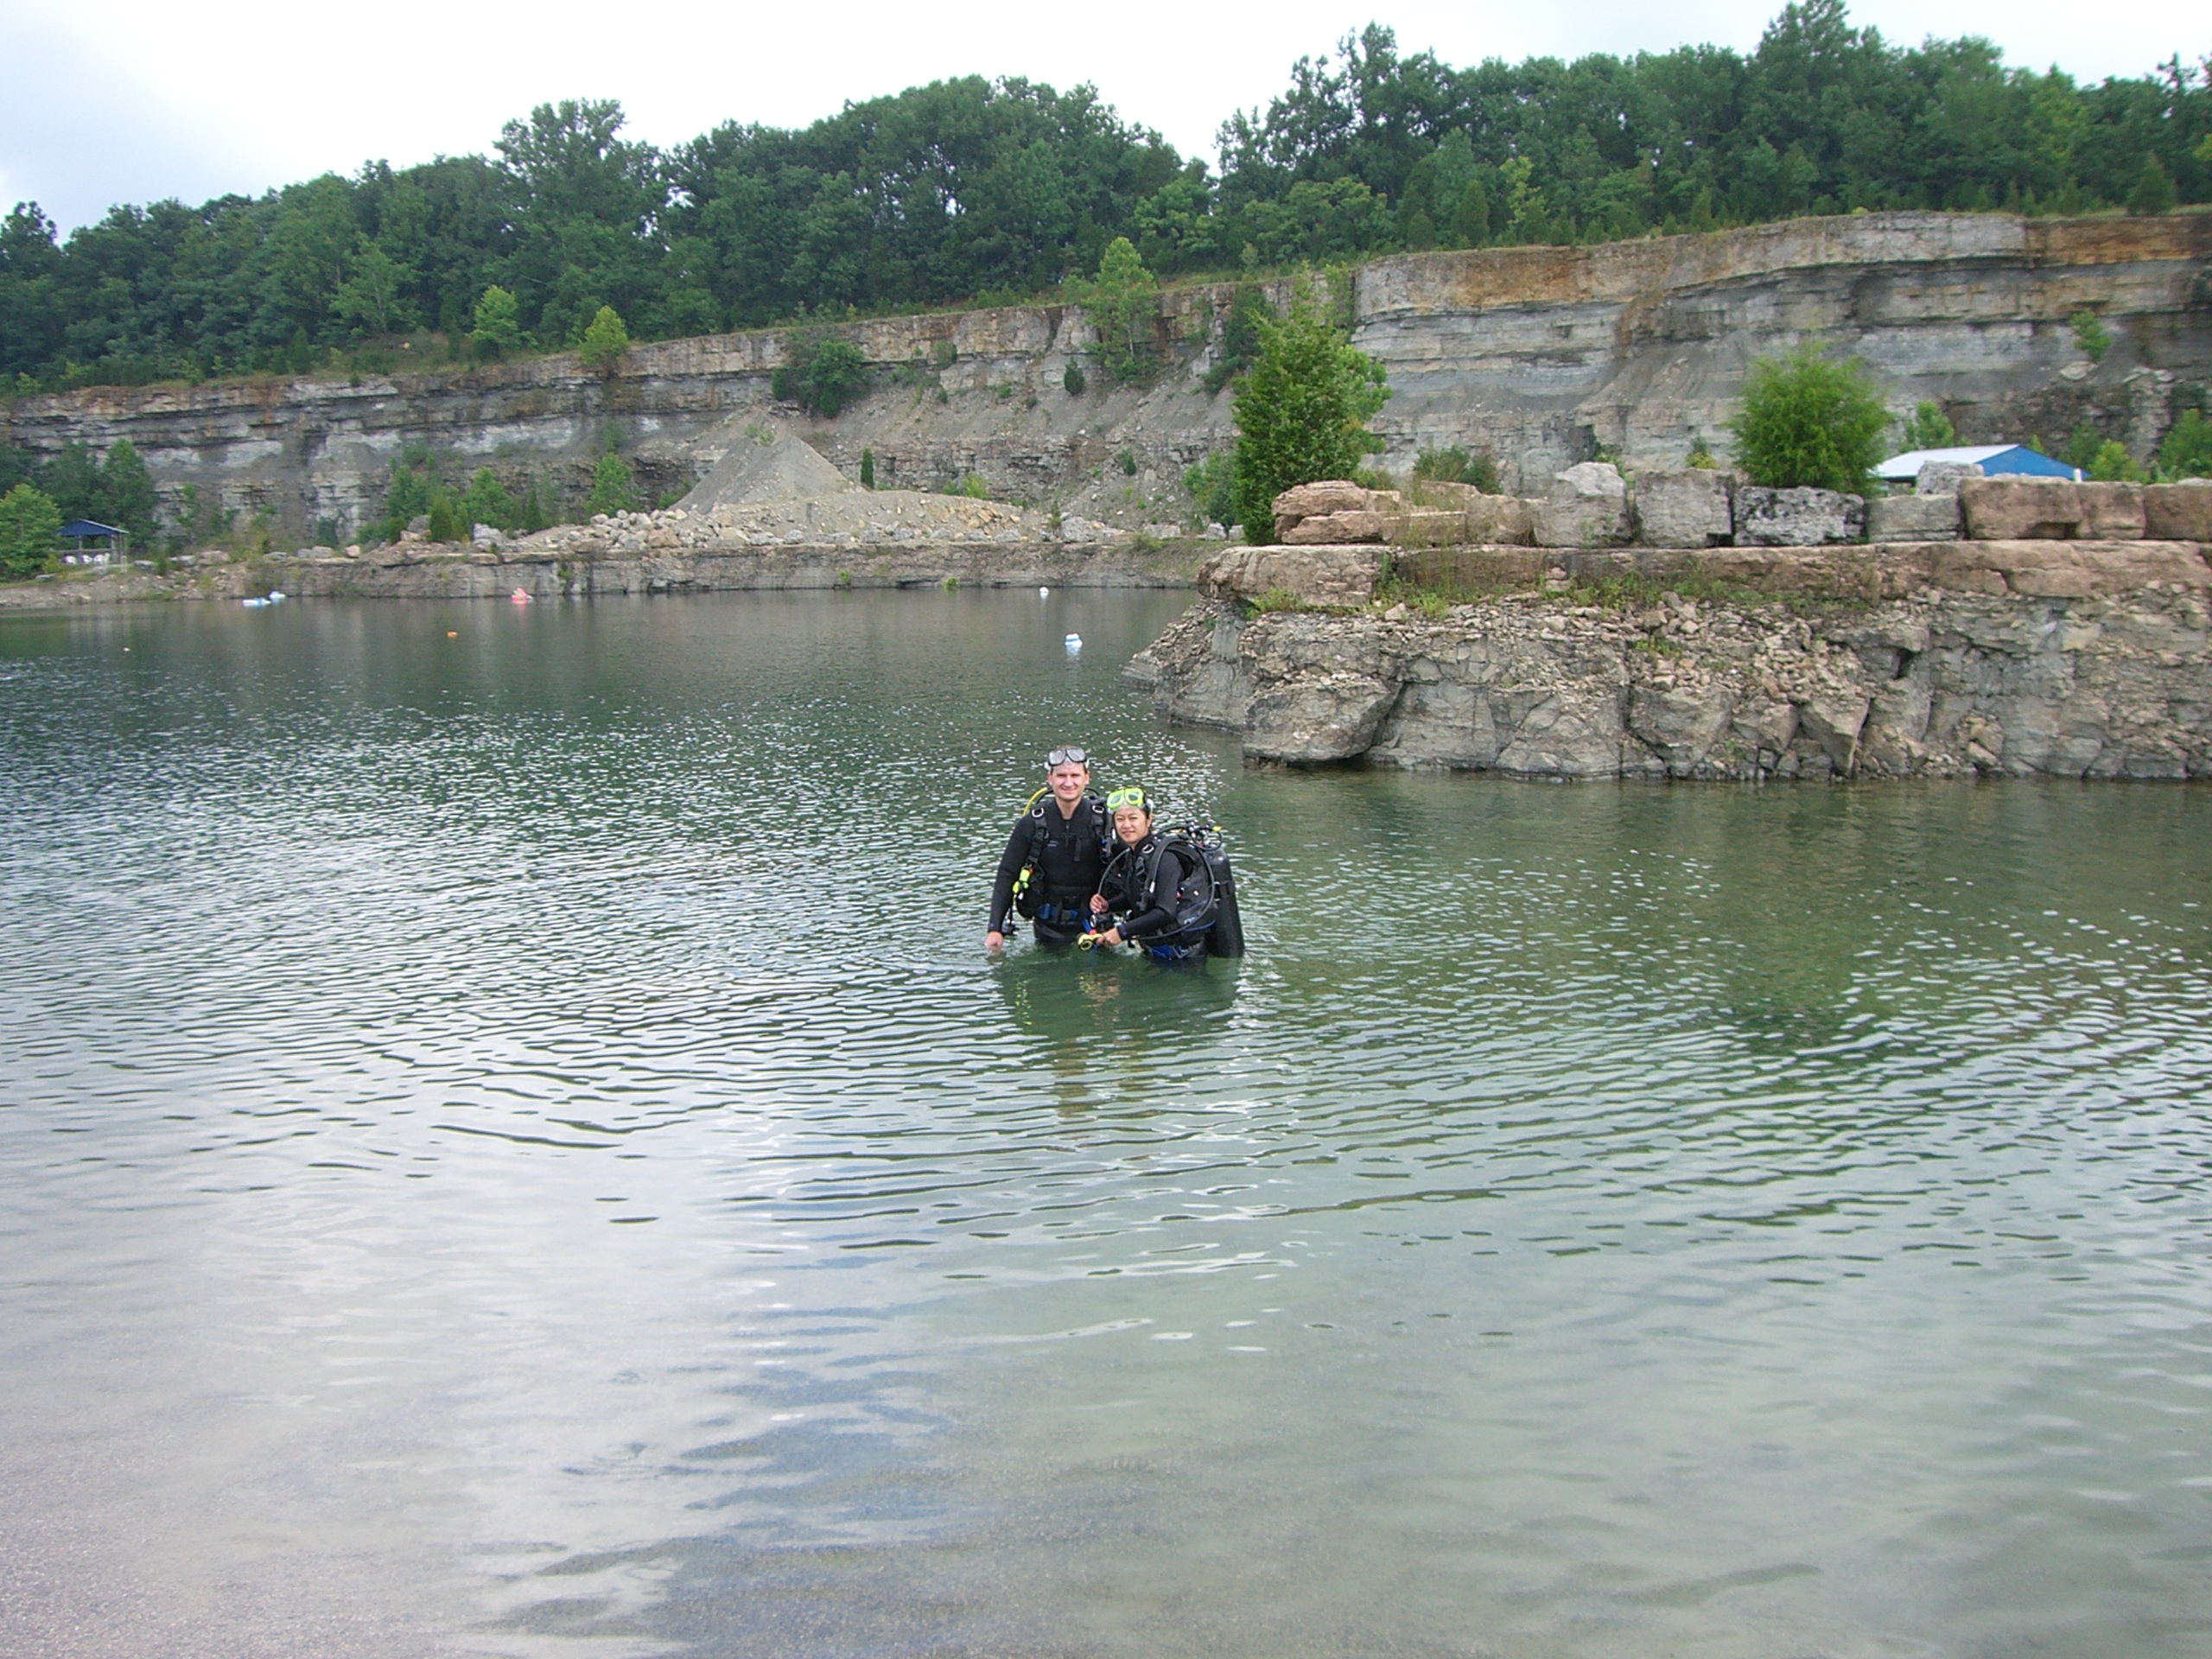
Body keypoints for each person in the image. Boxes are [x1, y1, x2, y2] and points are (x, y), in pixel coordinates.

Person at [986, 747, 1110, 952]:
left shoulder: (1104, 821)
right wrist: (995, 928)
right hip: (1048, 930)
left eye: (1074, 776)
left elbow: (1131, 864)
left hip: (1098, 928)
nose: (1068, 783)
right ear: (1050, 779)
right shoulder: (1032, 823)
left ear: (1087, 778)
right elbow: (1007, 874)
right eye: (1061, 776)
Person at [1088, 786, 1211, 963]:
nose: (1126, 825)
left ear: (1148, 820)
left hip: (1182, 959)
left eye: (1133, 818)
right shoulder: (1133, 854)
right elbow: (1138, 896)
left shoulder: (1165, 858)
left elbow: (1165, 911)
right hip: (1155, 953)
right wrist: (1108, 905)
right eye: (1120, 819)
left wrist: (1121, 932)